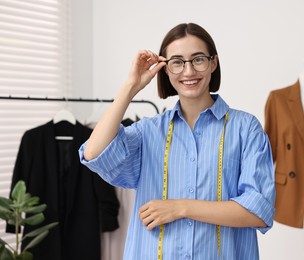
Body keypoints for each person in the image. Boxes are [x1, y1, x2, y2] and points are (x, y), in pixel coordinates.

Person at [79, 22, 275, 260]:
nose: (189, 71)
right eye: (177, 62)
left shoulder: (245, 128)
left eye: (198, 59)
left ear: (213, 62)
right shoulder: (147, 132)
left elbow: (258, 211)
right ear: (166, 69)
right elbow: (93, 152)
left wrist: (180, 208)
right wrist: (131, 86)